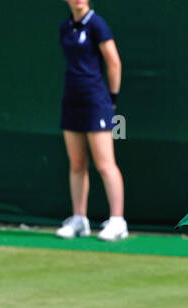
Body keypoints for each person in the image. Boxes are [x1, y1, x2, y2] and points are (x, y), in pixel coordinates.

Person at [55, 1, 127, 242]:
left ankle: (117, 221)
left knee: (105, 164)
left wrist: (112, 100)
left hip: (96, 100)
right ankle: (79, 219)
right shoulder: (65, 27)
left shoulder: (97, 24)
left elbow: (114, 62)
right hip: (71, 100)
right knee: (76, 163)